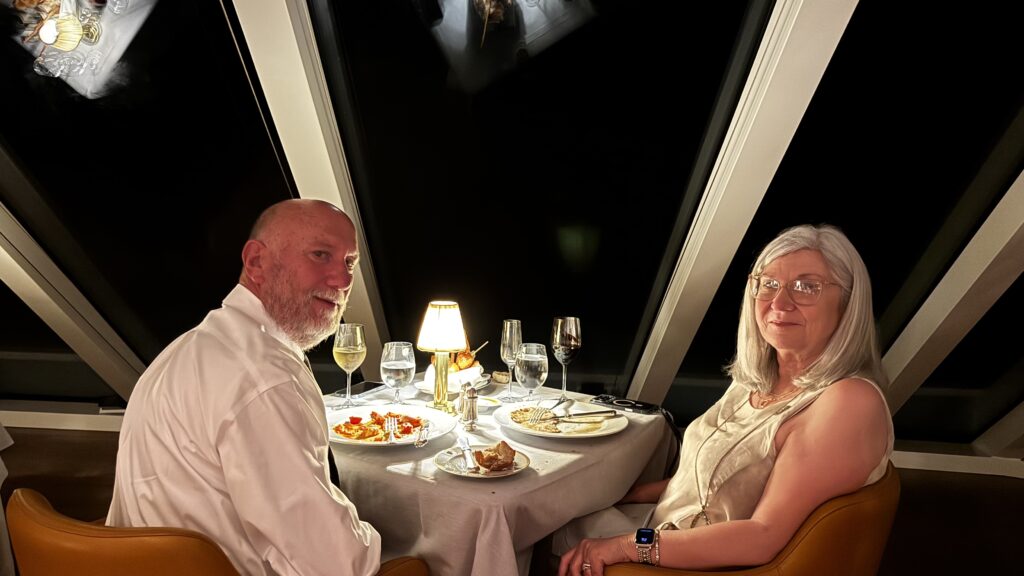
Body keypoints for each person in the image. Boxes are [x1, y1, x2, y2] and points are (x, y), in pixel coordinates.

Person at [557, 224, 893, 576]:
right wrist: (636, 493)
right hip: (664, 528)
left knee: (541, 530)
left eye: (806, 287)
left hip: (696, 563)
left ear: (848, 303)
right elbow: (716, 485)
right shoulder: (758, 379)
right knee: (557, 512)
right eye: (769, 283)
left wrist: (628, 545)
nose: (779, 303)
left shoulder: (848, 402)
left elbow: (762, 536)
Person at [107, 199, 381, 576]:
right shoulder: (264, 378)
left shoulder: (187, 348)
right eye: (321, 255)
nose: (344, 280)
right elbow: (335, 566)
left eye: (349, 262)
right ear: (255, 262)